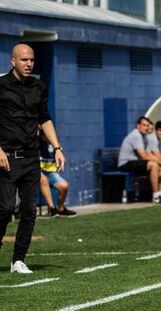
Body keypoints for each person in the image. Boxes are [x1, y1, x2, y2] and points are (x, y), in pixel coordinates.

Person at [0, 43, 65, 273]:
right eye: (24, 60)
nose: (28, 64)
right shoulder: (1, 85)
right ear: (13, 62)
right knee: (5, 208)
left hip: (31, 158)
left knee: (29, 211)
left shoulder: (39, 87)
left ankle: (18, 260)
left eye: (31, 60)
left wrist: (57, 147)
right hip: (6, 158)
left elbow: (44, 119)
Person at [118, 116, 161, 204]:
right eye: (144, 125)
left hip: (134, 162)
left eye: (147, 125)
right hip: (125, 163)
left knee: (160, 168)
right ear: (138, 126)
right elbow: (143, 155)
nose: (146, 127)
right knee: (154, 165)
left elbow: (148, 153)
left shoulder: (143, 136)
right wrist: (160, 161)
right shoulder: (136, 135)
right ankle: (155, 196)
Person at [39, 132, 76, 217]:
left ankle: (60, 209)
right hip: (38, 172)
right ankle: (52, 209)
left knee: (64, 186)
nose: (47, 138)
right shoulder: (37, 143)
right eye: (45, 136)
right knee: (43, 179)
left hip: (50, 173)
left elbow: (60, 159)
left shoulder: (57, 146)